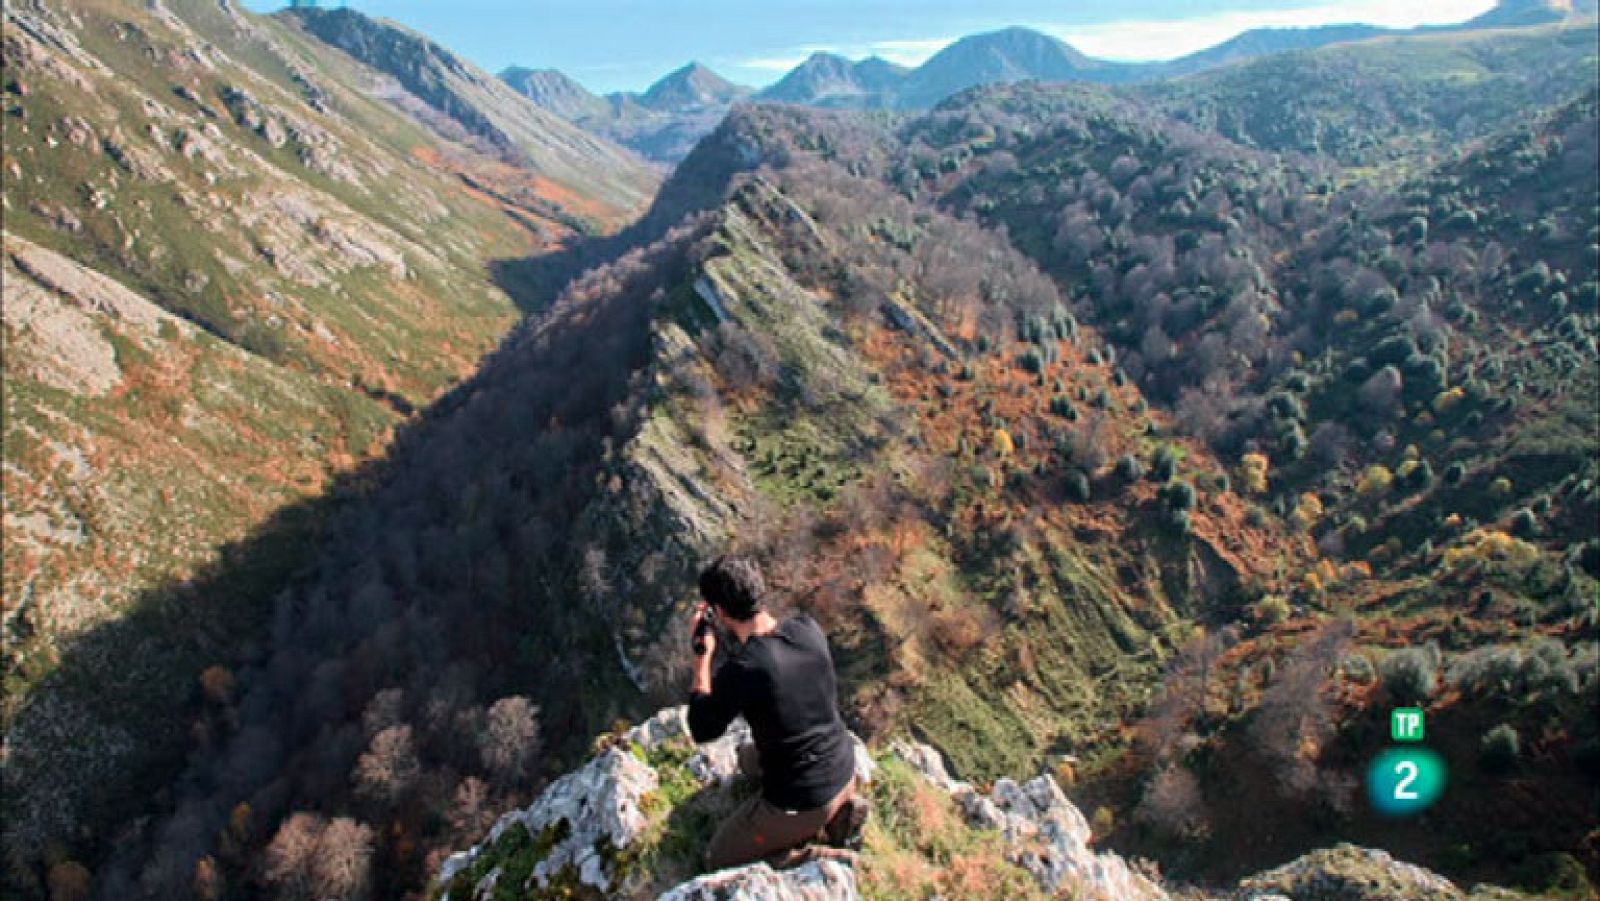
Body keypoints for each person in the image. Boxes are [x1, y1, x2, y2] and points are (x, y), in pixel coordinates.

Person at [687, 555, 869, 871]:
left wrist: (702, 657)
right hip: (843, 766)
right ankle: (841, 811)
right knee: (747, 759)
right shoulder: (807, 628)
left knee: (718, 857)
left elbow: (702, 728)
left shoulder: (744, 668)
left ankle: (813, 858)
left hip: (801, 800)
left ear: (720, 612)